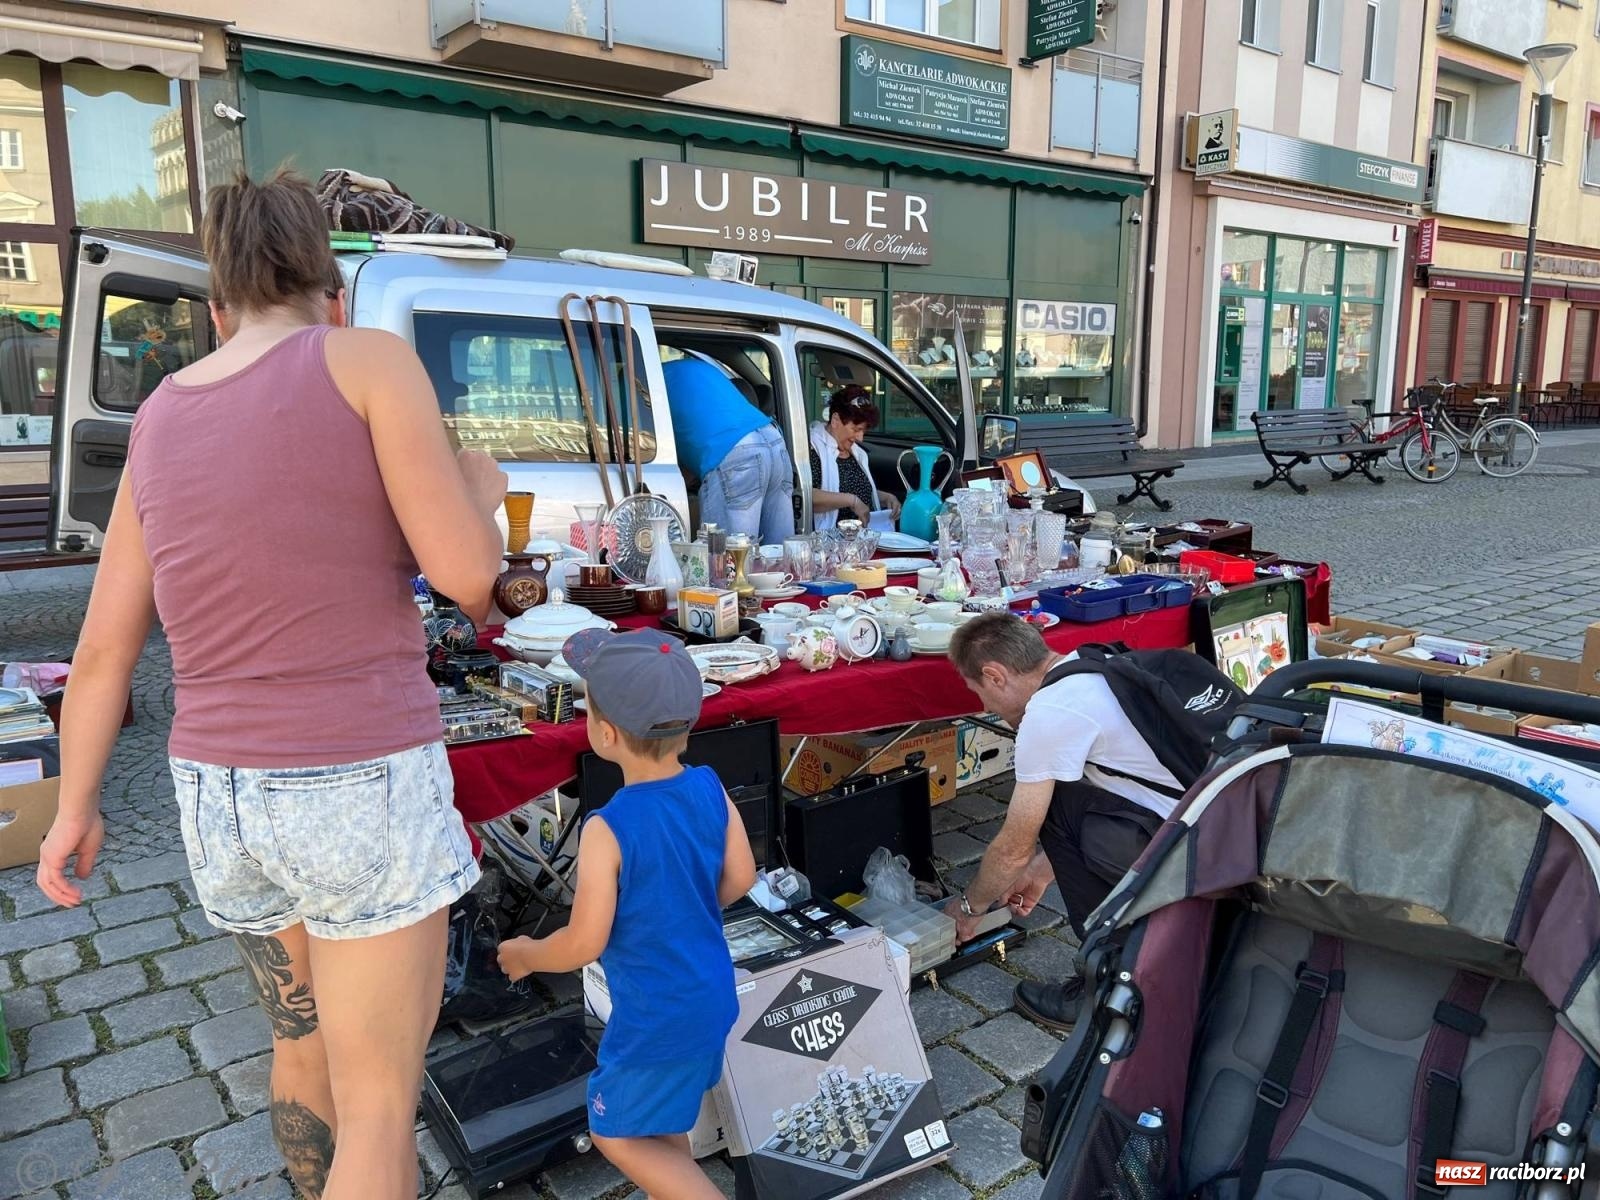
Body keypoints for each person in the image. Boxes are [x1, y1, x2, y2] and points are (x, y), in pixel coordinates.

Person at [34, 169, 507, 1200]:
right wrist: (482, 491)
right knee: (384, 1108)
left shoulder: (158, 414)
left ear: (216, 303)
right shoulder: (366, 363)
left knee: (302, 1052)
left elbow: (105, 651)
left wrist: (73, 807)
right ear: (328, 288)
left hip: (218, 792)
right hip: (357, 778)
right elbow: (472, 579)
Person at [498, 628, 757, 1200]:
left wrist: (526, 953)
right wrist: (680, 910)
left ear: (604, 733)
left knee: (615, 1132)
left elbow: (584, 943)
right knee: (660, 1125)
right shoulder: (711, 787)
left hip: (654, 1016)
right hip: (710, 996)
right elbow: (742, 877)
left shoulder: (606, 828)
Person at [941, 615, 1181, 1031]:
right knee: (1064, 796)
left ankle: (1106, 988)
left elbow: (1014, 846)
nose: (984, 708)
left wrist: (968, 908)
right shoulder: (1091, 665)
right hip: (1215, 830)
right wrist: (1042, 871)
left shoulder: (1047, 712)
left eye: (978, 692)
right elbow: (1109, 789)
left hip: (1181, 851)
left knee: (1047, 802)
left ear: (994, 675)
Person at [659, 353, 794, 544]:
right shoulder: (690, 369)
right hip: (773, 439)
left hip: (736, 451)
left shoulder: (647, 386)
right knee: (778, 554)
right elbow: (696, 440)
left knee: (727, 560)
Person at [808, 386, 901, 529]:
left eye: (863, 431)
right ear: (835, 420)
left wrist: (884, 498)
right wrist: (852, 501)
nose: (860, 438)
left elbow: (855, 488)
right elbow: (807, 496)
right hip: (831, 542)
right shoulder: (813, 448)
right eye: (856, 429)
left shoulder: (856, 453)